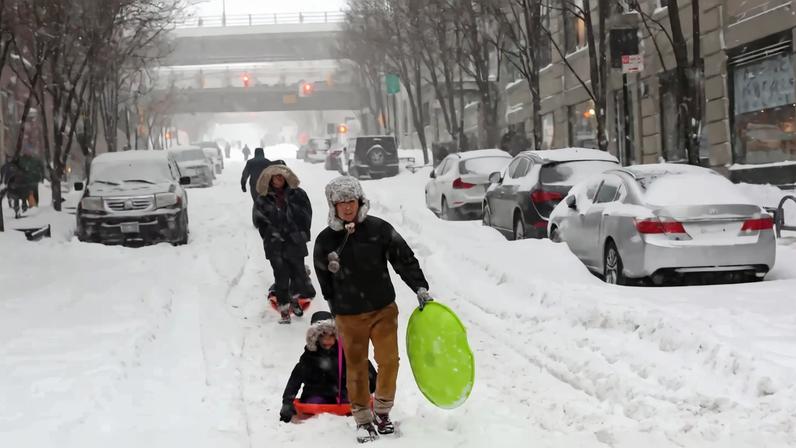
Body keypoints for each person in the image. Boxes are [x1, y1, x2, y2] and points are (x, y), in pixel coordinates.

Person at [313, 176, 433, 442]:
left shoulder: (379, 229)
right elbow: (324, 278)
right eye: (341, 202)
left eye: (351, 201)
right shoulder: (325, 240)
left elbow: (405, 259)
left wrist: (420, 287)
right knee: (356, 367)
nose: (347, 207)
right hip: (348, 314)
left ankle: (382, 411)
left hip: (382, 309)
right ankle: (363, 419)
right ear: (333, 205)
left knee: (389, 361)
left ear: (360, 201)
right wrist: (335, 306)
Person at [279, 311, 377, 423]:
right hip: (316, 394)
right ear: (315, 337)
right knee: (314, 404)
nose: (327, 340)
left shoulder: (344, 352)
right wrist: (287, 402)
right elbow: (295, 378)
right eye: (322, 336)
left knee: (353, 403)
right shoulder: (309, 356)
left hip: (342, 393)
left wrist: (374, 384)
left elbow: (362, 364)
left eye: (331, 336)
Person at [253, 164, 316, 324]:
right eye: (275, 177)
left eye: (281, 177)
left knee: (298, 275)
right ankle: (284, 309)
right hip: (275, 246)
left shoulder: (298, 195)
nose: (278, 180)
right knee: (281, 276)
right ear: (270, 179)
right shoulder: (263, 198)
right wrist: (271, 234)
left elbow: (307, 214)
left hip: (294, 242)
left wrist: (299, 232)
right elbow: (259, 220)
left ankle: (295, 299)